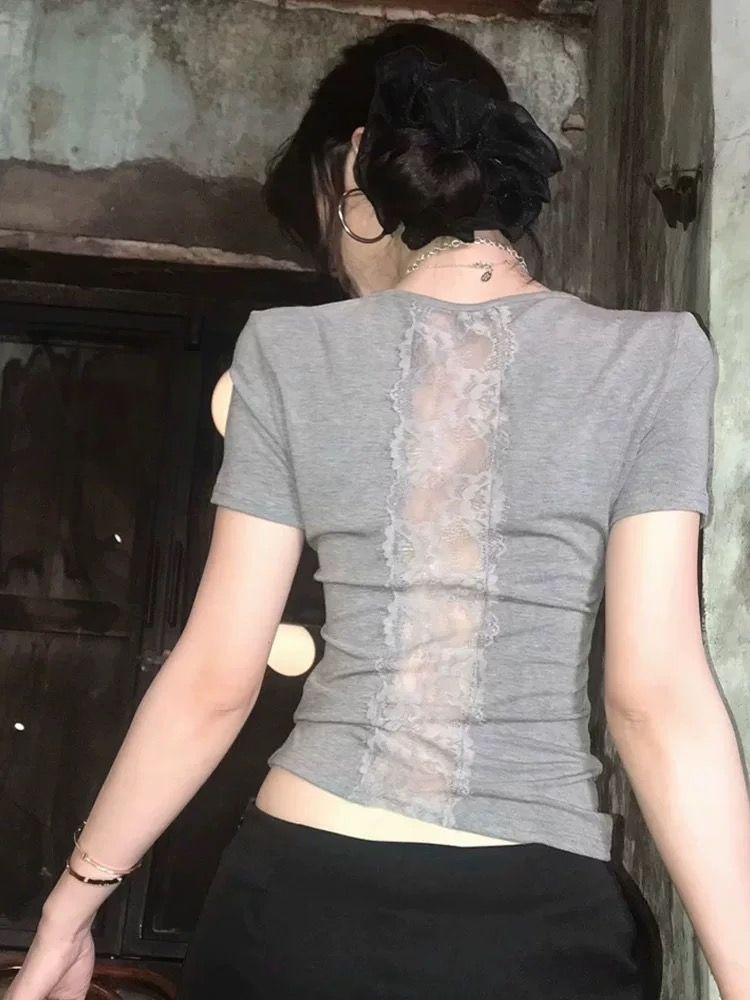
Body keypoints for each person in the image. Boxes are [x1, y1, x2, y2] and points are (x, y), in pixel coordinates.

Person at [8, 22, 750, 1000]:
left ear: (357, 160)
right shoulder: (654, 359)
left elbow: (215, 679)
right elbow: (656, 700)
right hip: (534, 930)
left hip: (295, 909)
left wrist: (71, 909)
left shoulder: (285, 354)